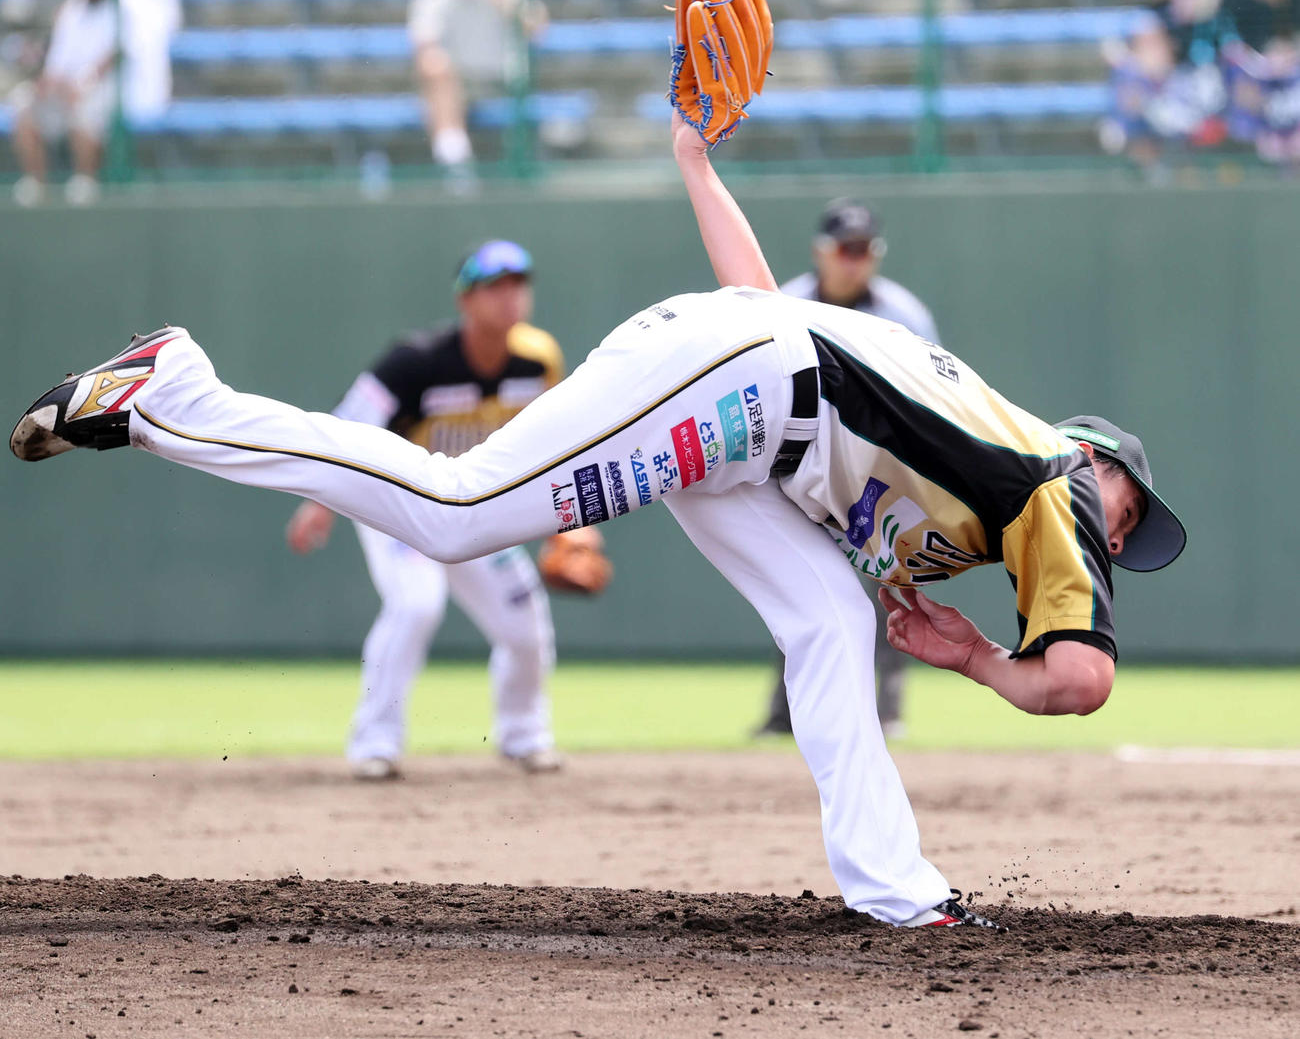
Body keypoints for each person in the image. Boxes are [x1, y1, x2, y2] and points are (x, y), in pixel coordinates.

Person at [10, 112, 1186, 930]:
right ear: (1097, 458)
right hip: (738, 389)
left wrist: (693, 160)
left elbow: (761, 300)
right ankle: (180, 393)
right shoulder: (1054, 477)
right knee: (459, 509)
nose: (1122, 533)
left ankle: (896, 887)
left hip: (748, 401)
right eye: (1132, 504)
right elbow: (1078, 682)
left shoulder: (977, 472)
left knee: (831, 614)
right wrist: (985, 658)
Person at [284, 240, 571, 780]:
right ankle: (375, 744)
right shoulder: (414, 361)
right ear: (466, 299)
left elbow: (558, 441)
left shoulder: (539, 359)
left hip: (476, 506)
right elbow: (348, 424)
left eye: (518, 284)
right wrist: (318, 502)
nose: (510, 297)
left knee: (524, 621)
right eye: (495, 286)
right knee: (417, 604)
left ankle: (524, 736)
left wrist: (570, 524)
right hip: (400, 506)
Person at [756, 200, 939, 741]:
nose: (853, 261)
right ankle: (783, 711)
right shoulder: (782, 305)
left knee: (888, 583)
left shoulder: (904, 314)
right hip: (801, 465)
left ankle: (886, 707)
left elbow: (932, 396)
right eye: (845, 250)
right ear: (822, 252)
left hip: (879, 468)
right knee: (795, 586)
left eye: (863, 250)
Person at [8, 0, 171, 206]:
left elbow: (120, 54)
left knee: (85, 105)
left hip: (124, 91)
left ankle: (85, 181)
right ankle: (36, 184)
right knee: (23, 104)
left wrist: (83, 83)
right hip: (73, 89)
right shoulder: (73, 10)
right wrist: (48, 86)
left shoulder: (132, 2)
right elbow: (57, 65)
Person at [407, 0, 545, 177]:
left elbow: (535, 30)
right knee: (434, 68)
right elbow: (424, 48)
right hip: (458, 83)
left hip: (508, 78)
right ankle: (455, 163)